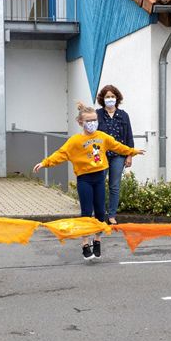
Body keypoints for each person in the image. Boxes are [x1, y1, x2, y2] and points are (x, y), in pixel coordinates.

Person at [33, 102, 144, 260]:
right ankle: (85, 243)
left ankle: (97, 240)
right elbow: (61, 153)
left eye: (94, 120)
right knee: (86, 213)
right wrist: (45, 163)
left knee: (100, 212)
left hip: (99, 177)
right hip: (84, 179)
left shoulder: (102, 137)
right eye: (88, 121)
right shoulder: (75, 141)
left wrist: (133, 151)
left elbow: (117, 146)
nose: (92, 123)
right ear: (80, 122)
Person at [95, 85, 134, 225]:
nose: (110, 99)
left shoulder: (123, 115)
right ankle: (99, 214)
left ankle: (112, 215)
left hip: (118, 155)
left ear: (117, 98)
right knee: (99, 184)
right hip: (101, 155)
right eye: (107, 97)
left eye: (112, 96)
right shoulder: (97, 114)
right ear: (102, 99)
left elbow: (129, 136)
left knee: (114, 186)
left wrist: (129, 155)